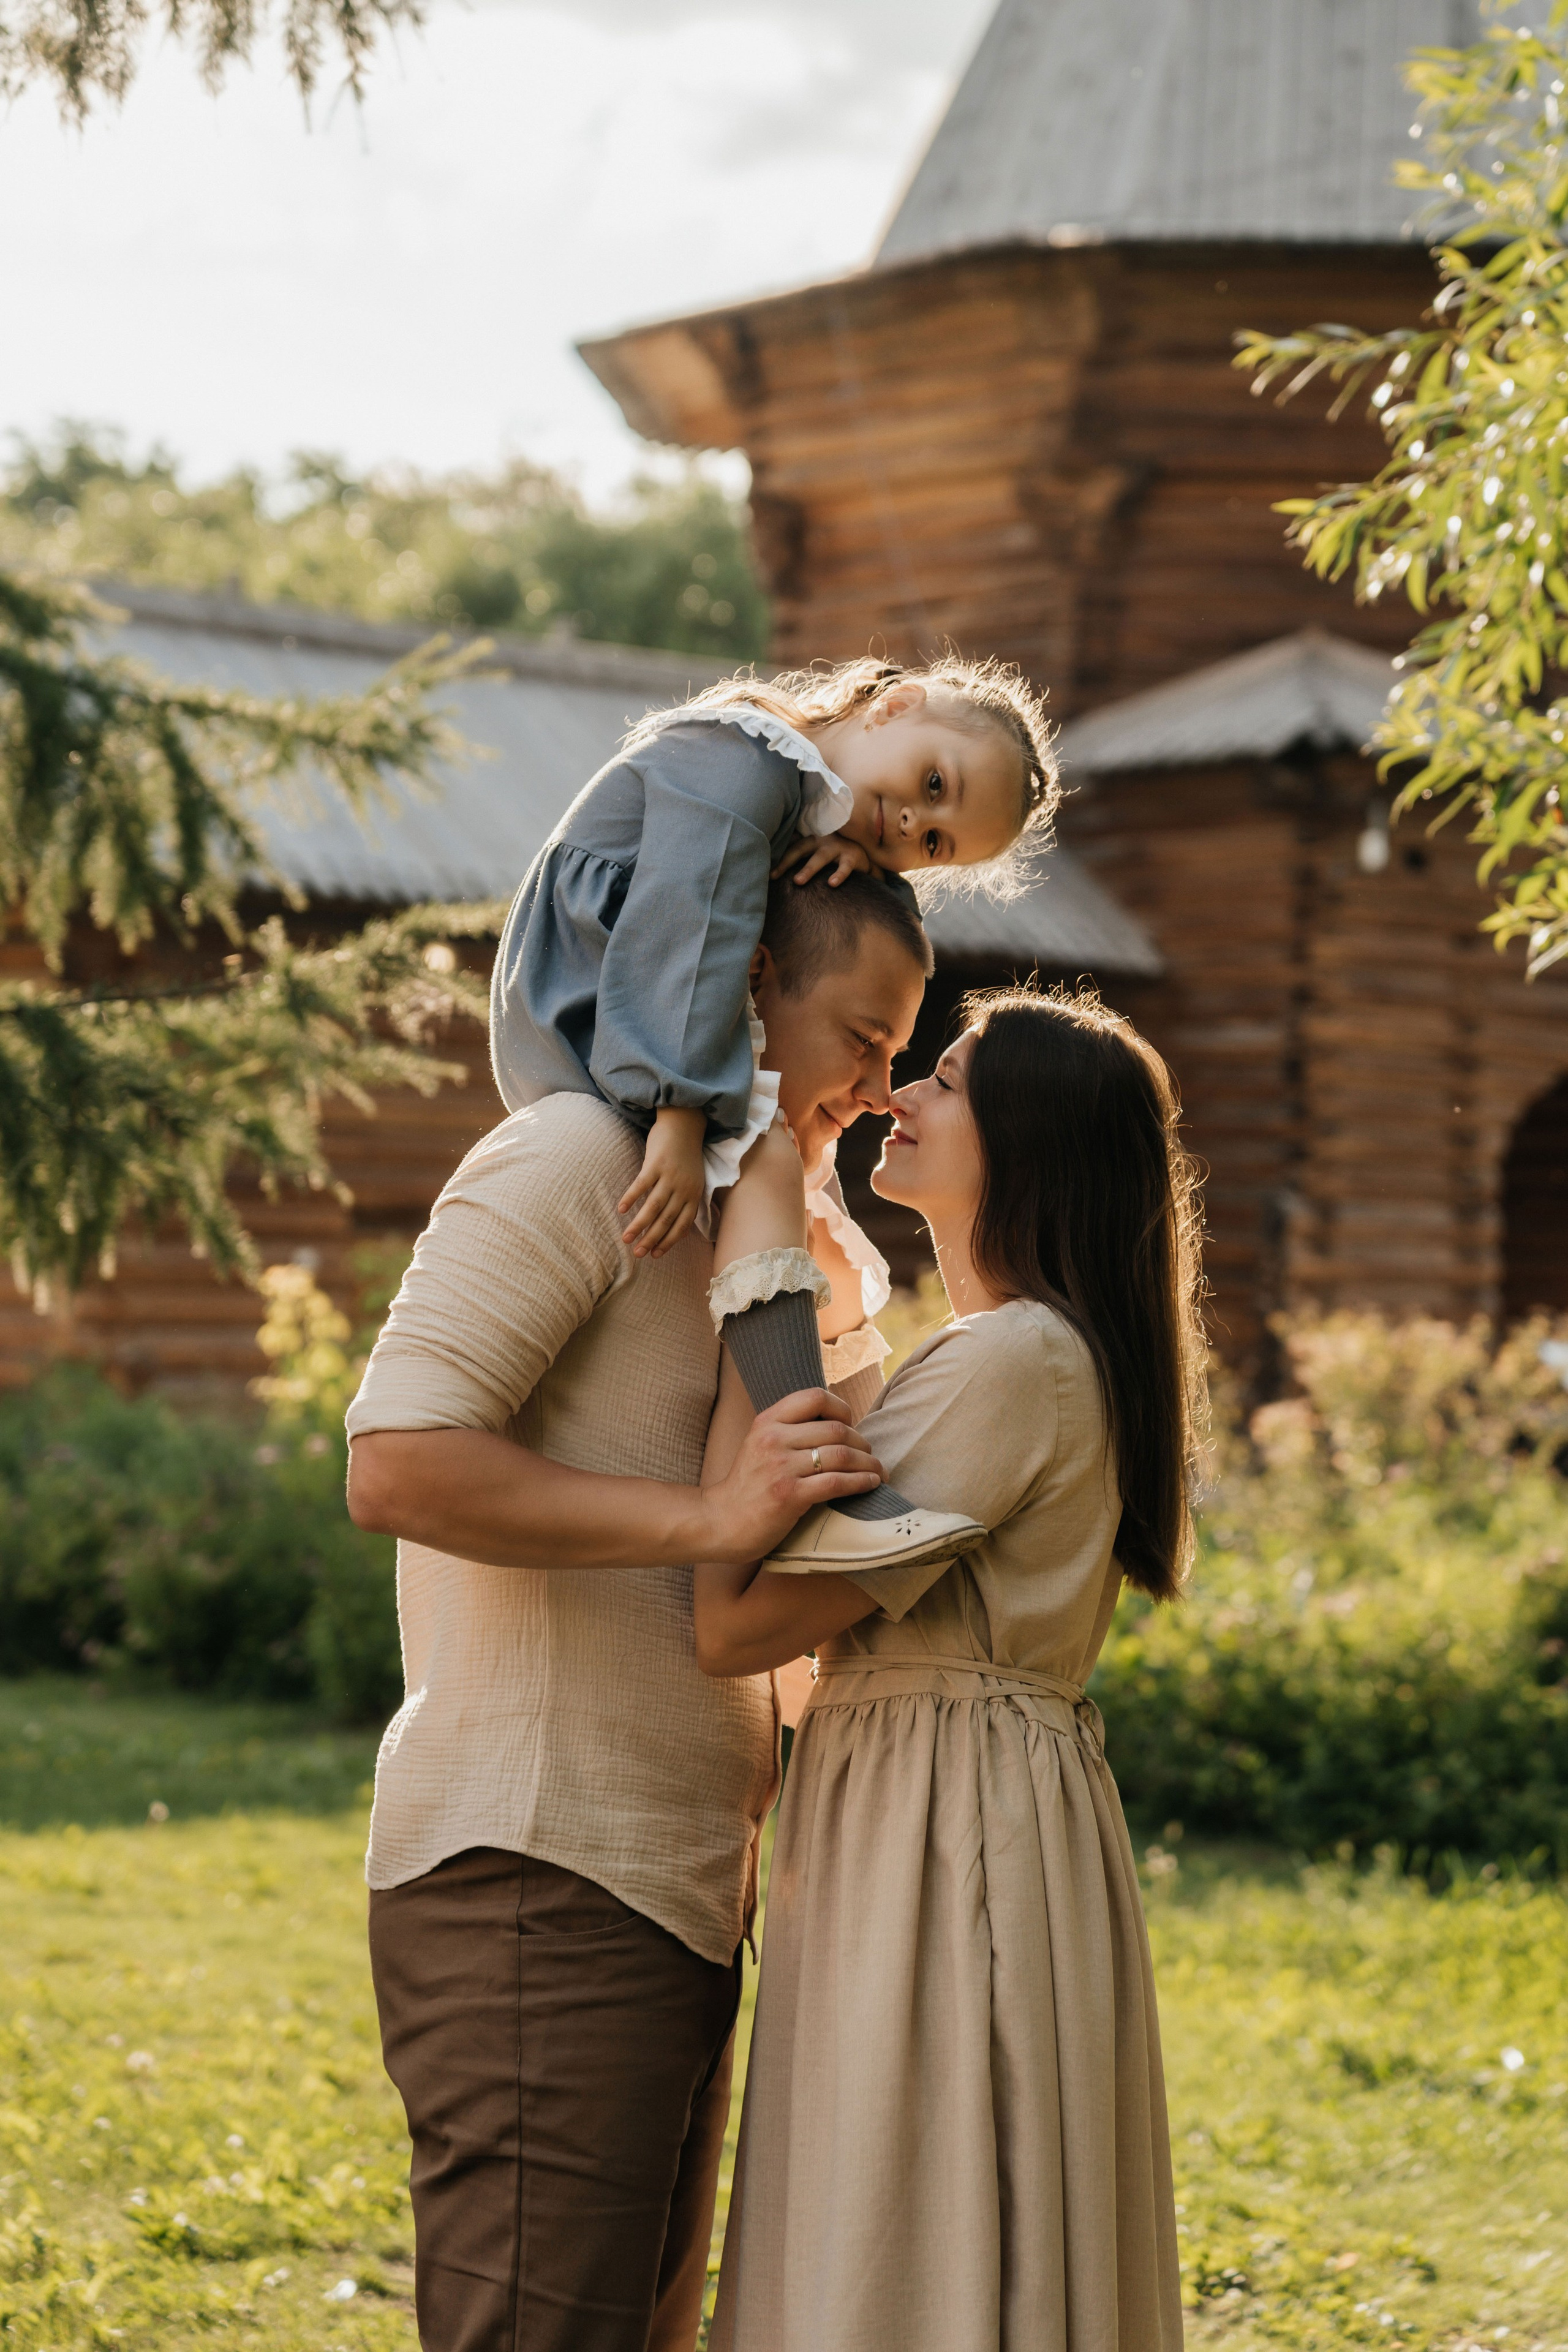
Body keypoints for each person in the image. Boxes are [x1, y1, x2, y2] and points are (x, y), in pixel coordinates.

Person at [344, 868, 932, 2352]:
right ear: (750, 991)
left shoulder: (778, 1241)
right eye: (862, 1041)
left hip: (685, 1895)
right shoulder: (573, 1156)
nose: (878, 1091)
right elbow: (396, 1462)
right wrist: (709, 1522)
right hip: (535, 1874)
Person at [694, 987, 1207, 2352]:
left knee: (907, 2193)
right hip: (962, 1799)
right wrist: (831, 1306)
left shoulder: (1015, 1357)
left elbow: (736, 1623)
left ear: (1027, 1141)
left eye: (952, 1078)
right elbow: (861, 1508)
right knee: (939, 2188)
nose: (903, 1092)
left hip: (944, 1824)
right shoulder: (1025, 1355)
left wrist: (761, 1271)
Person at [488, 651, 1054, 1572]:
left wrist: (856, 852)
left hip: (639, 1011)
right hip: (591, 1003)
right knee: (769, 1159)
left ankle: (804, 1442)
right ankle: (813, 1480)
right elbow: (693, 926)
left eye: (934, 844)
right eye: (932, 785)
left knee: (787, 1179)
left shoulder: (800, 796)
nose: (912, 825)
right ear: (895, 705)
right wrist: (682, 1115)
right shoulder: (744, 760)